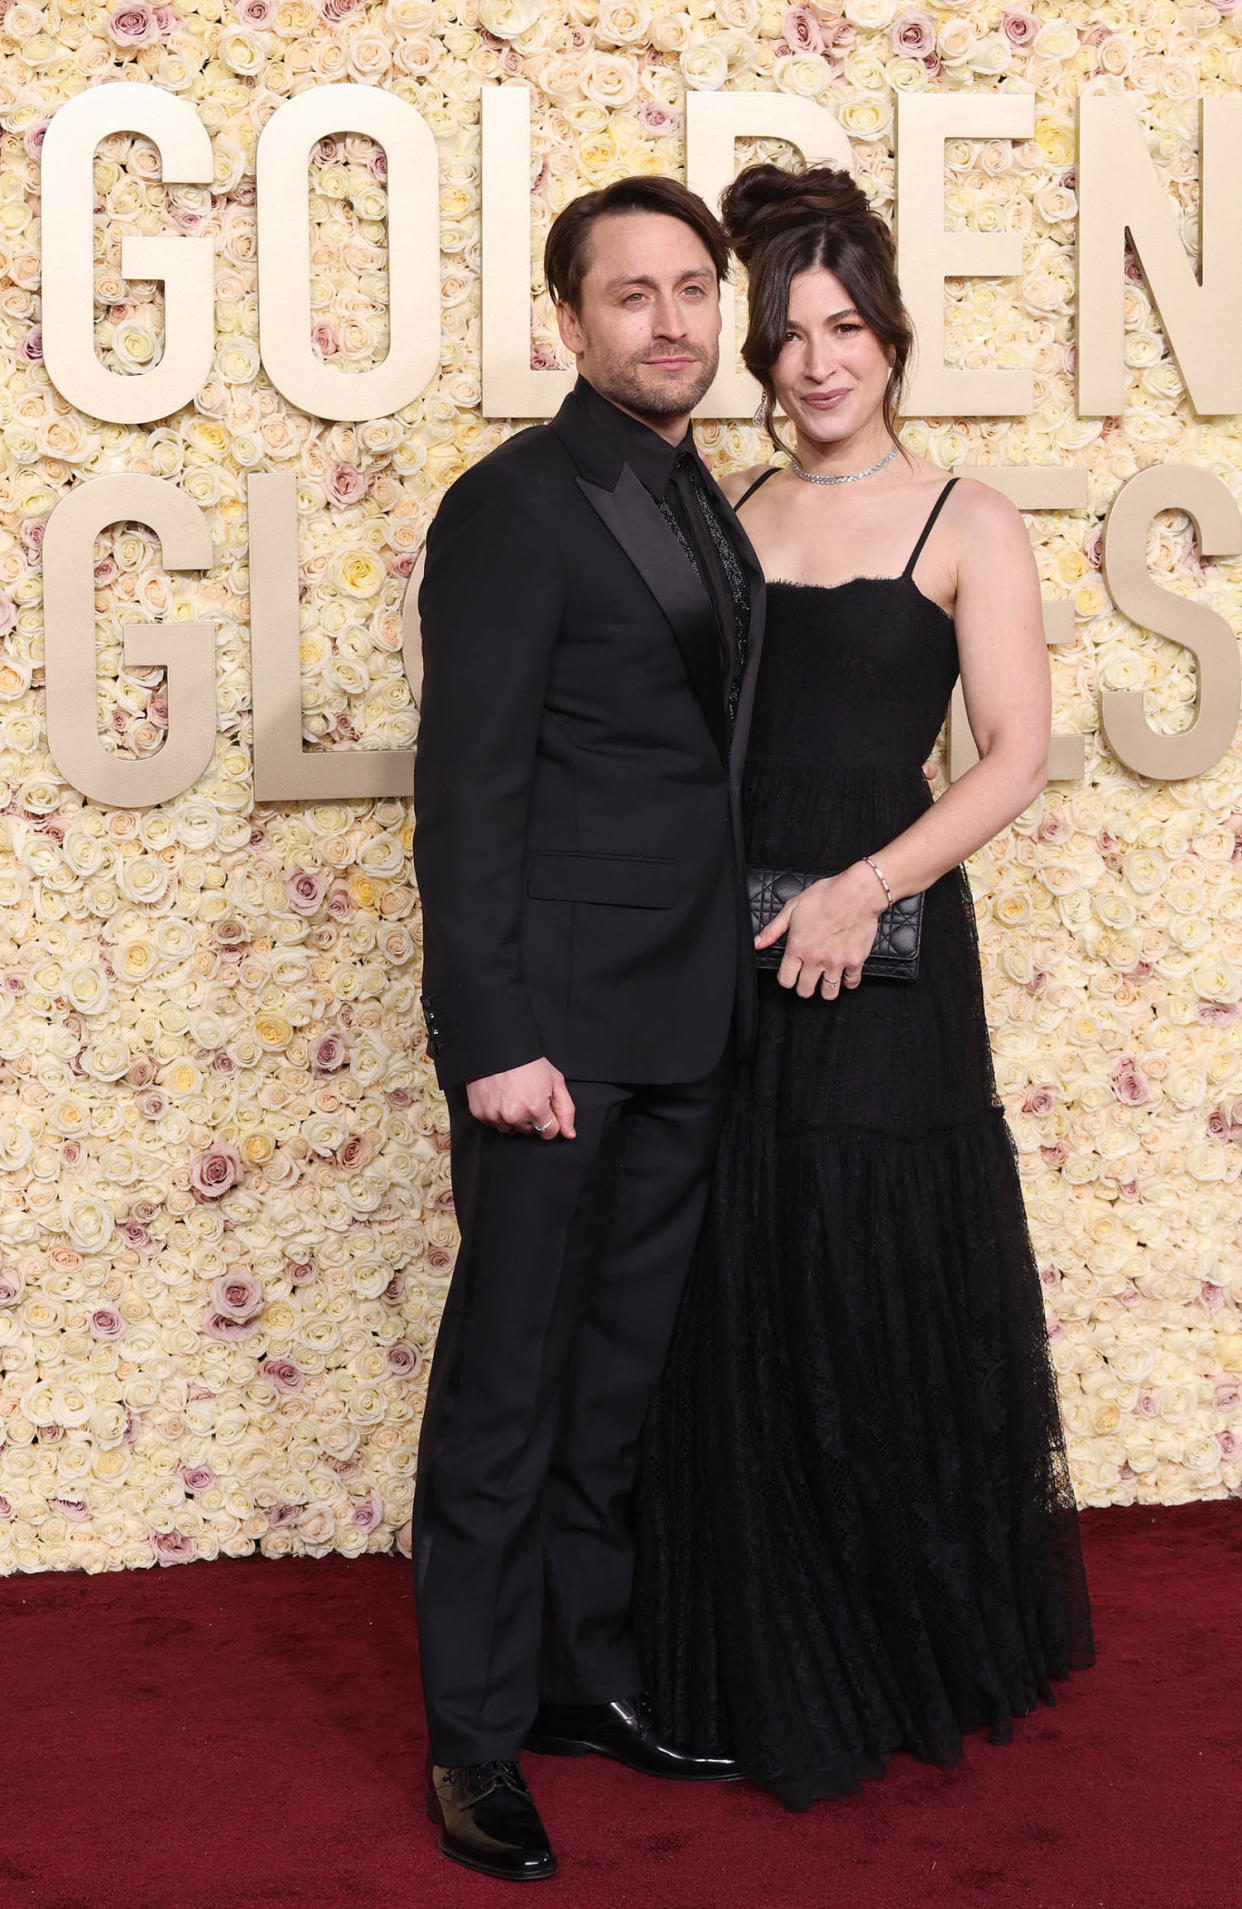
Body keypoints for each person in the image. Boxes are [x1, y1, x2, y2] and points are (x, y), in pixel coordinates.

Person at [633, 161, 1095, 1814]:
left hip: (883, 949)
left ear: (889, 333)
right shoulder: (722, 511)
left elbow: (1014, 755)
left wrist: (864, 886)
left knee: (867, 1262)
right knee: (733, 1261)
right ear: (755, 356)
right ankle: (755, 1640)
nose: (815, 361)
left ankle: (901, 1637)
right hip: (728, 949)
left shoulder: (966, 519)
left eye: (842, 327)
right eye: (784, 335)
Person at [411, 175, 767, 1880]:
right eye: (631, 294)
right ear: (569, 321)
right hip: (548, 1038)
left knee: (611, 1387)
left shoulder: (708, 500)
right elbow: (466, 796)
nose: (670, 319)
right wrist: (491, 1032)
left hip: (687, 1023)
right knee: (507, 1386)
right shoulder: (513, 506)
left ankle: (576, 1677)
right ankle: (473, 1742)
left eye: (692, 288)